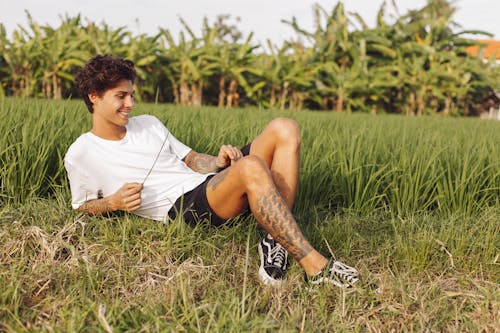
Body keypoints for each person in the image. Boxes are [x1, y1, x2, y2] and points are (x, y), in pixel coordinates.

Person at [64, 54, 359, 288]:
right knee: (252, 166)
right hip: (183, 207)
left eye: (131, 95)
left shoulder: (149, 123)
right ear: (94, 96)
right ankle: (317, 269)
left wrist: (218, 163)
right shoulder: (82, 152)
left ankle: (272, 239)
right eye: (121, 96)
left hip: (207, 183)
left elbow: (191, 159)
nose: (131, 103)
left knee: (284, 127)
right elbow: (81, 205)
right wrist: (113, 203)